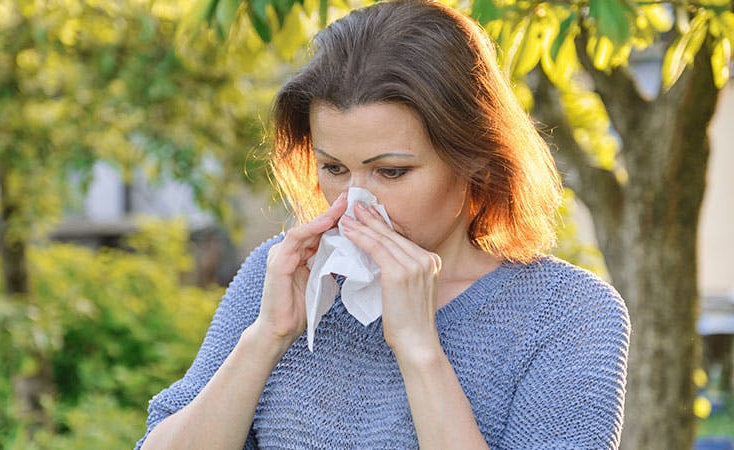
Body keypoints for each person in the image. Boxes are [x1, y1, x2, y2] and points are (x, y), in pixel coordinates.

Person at [135, 0, 630, 448]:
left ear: (476, 158)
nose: (356, 204)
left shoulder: (567, 315)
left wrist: (420, 350)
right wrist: (266, 336)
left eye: (391, 171)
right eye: (333, 168)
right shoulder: (282, 276)